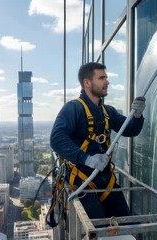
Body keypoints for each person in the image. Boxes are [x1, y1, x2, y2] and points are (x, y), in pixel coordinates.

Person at [50, 62, 146, 219]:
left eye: (106, 78)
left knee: (127, 224)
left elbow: (130, 130)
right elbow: (57, 139)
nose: (107, 82)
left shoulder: (108, 112)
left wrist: (137, 116)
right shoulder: (73, 108)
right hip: (82, 183)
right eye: (101, 78)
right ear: (87, 83)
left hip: (106, 181)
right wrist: (87, 159)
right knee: (96, 229)